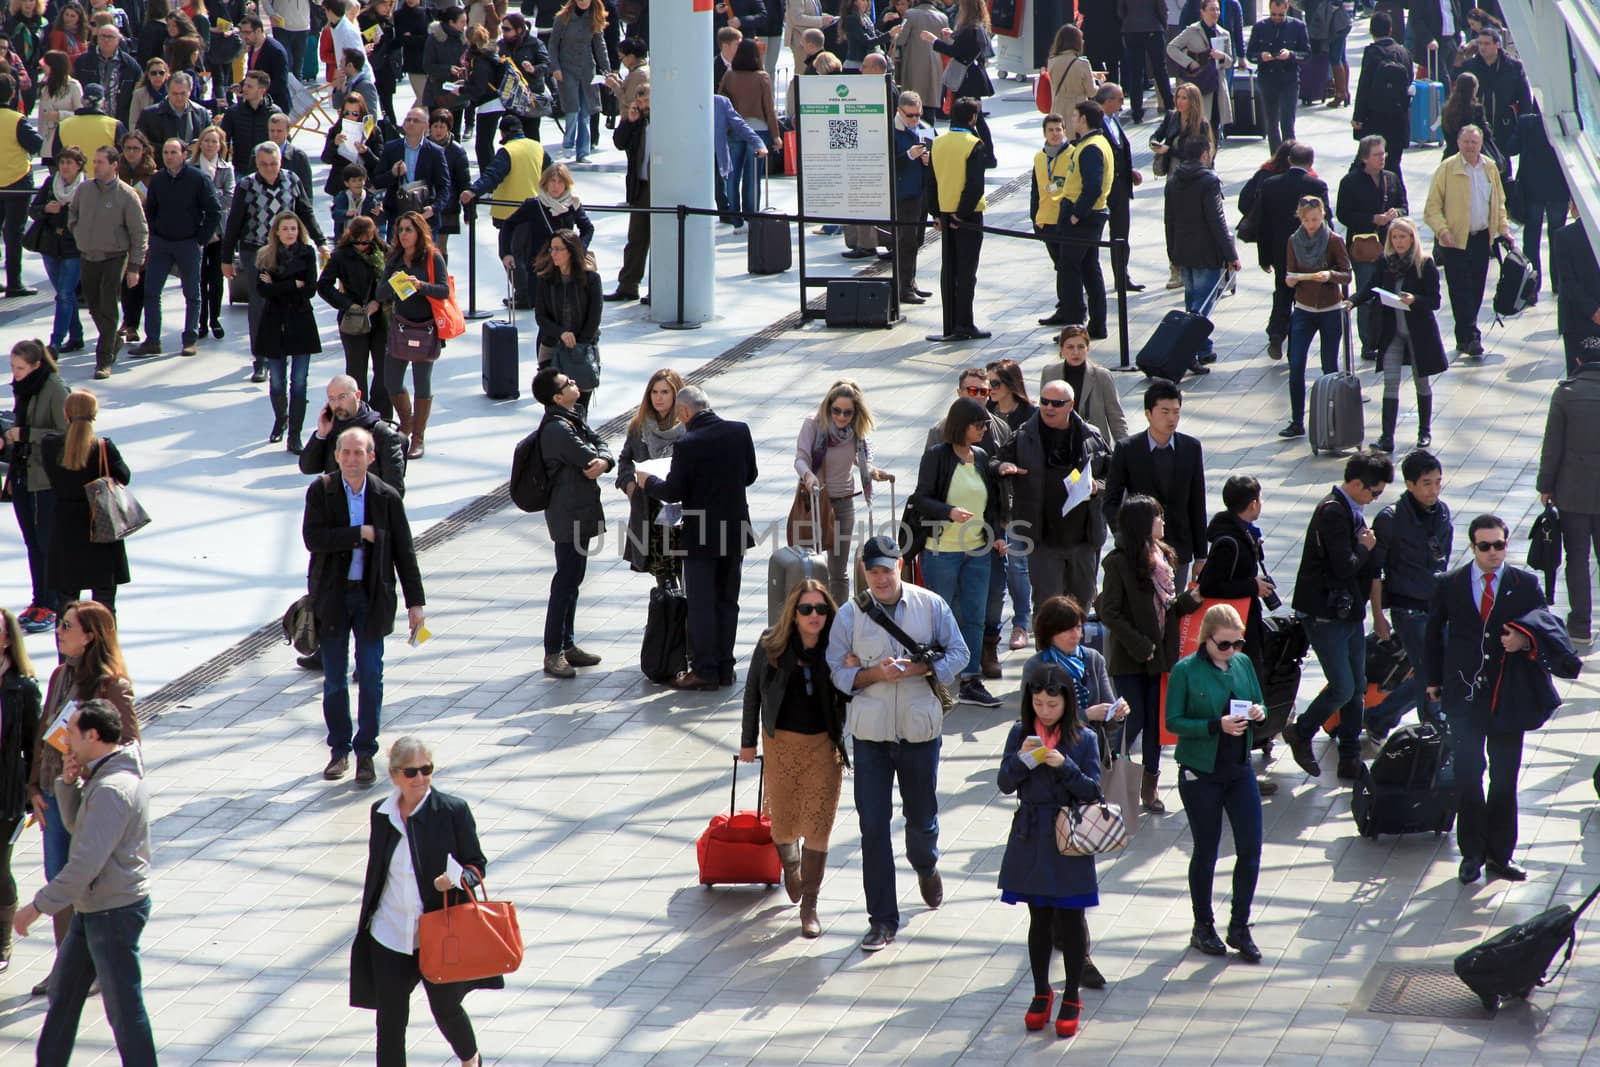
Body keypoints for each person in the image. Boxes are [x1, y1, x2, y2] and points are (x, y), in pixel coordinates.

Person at [826, 534, 964, 951]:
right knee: (872, 827)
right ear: (864, 573)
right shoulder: (851, 615)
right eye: (873, 571)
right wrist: (873, 675)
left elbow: (959, 653)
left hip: (920, 733)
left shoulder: (930, 605)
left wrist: (917, 668)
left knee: (921, 819)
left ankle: (926, 864)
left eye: (887, 569)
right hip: (871, 737)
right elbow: (836, 670)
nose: (881, 578)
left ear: (900, 566)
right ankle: (882, 919)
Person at [1424, 515, 1571, 884]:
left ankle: (1500, 854)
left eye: (1499, 545)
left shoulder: (1524, 584)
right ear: (1473, 547)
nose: (1493, 552)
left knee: (1504, 779)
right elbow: (1432, 633)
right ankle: (1471, 853)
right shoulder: (1451, 584)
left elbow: (1545, 624)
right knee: (1469, 775)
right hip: (1464, 695)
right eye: (1485, 546)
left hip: (1509, 697)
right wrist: (1432, 680)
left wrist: (1524, 641)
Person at [14, 699, 152, 1064]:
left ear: (93, 735)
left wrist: (36, 907)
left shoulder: (111, 789)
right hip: (95, 909)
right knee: (64, 995)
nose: (64, 739)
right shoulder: (102, 778)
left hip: (113, 912)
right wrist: (68, 783)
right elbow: (80, 827)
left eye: (71, 731)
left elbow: (85, 863)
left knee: (123, 1007)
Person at [349, 736, 494, 1067]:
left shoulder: (452, 812)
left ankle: (471, 1060)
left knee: (446, 1008)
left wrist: (455, 879)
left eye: (426, 770)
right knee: (389, 1021)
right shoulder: (381, 813)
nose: (420, 779)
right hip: (389, 933)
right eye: (412, 772)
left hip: (436, 934)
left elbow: (476, 865)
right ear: (394, 774)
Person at [304, 424, 425, 785]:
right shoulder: (321, 491)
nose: (352, 459)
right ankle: (338, 749)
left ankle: (365, 751)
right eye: (346, 452)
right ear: (337, 455)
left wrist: (415, 602)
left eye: (359, 453)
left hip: (371, 597)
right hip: (334, 597)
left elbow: (405, 551)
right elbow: (313, 538)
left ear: (371, 457)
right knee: (335, 679)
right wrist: (358, 534)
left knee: (371, 676)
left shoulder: (386, 497)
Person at [996, 657, 1101, 1037]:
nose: (1045, 711)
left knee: (1071, 919)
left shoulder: (1083, 738)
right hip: (1031, 834)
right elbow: (1004, 783)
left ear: (1067, 703)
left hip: (1068, 835)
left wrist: (1063, 766)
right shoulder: (1020, 733)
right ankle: (1042, 991)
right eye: (1039, 704)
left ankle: (1072, 994)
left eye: (1052, 705)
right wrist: (1024, 758)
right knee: (1038, 917)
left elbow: (1093, 790)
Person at [740, 579, 848, 937]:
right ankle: (791, 865)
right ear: (794, 612)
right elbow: (752, 691)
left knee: (819, 825)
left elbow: (851, 693)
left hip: (823, 746)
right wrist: (748, 743)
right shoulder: (772, 643)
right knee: (784, 822)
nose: (814, 615)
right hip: (781, 744)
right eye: (806, 609)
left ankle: (810, 905)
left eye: (821, 609)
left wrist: (850, 670)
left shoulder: (838, 647)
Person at [636, 386, 758, 689]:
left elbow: (673, 491)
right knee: (728, 601)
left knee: (702, 604)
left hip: (701, 536)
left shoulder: (688, 444)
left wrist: (648, 481)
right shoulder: (739, 431)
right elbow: (750, 476)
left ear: (686, 412)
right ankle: (725, 667)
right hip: (735, 532)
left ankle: (704, 671)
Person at [1165, 603, 1268, 963]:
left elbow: (1260, 702)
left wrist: (1258, 712)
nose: (1232, 651)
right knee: (1206, 850)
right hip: (1201, 773)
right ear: (1206, 639)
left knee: (1251, 849)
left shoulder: (1242, 663)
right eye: (1224, 644)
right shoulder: (1185, 671)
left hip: (1238, 769)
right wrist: (1214, 726)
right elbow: (1173, 721)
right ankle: (1202, 925)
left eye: (1237, 643)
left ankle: (1240, 925)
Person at [1283, 449, 1392, 781]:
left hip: (1347, 613)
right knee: (1344, 687)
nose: (1374, 499)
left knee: (1356, 686)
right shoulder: (1333, 512)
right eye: (1373, 492)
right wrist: (1365, 547)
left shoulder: (1351, 511)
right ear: (1357, 484)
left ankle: (1349, 754)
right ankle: (1301, 731)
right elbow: (1343, 564)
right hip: (1324, 614)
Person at [911, 396, 1006, 708]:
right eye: (978, 424)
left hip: (977, 549)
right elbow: (922, 498)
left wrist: (996, 534)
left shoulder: (980, 456)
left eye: (985, 425)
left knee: (975, 616)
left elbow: (992, 501)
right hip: (942, 550)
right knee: (942, 615)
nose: (983, 430)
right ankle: (936, 677)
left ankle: (970, 679)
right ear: (961, 425)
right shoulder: (937, 456)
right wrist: (949, 511)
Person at [1098, 493, 1183, 814]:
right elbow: (1109, 611)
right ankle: (1109, 772)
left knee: (1154, 724)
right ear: (1142, 524)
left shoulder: (1164, 558)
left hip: (1159, 657)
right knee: (1131, 723)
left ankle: (1150, 786)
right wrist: (1140, 644)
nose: (1162, 522)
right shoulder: (1118, 562)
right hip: (1132, 658)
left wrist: (1189, 601)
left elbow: (1168, 607)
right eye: (1157, 517)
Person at [1000, 378, 1111, 614]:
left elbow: (1114, 477)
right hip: (1043, 540)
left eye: (1057, 403)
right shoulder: (1024, 435)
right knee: (1047, 607)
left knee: (1081, 604)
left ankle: (1076, 650)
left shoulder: (1091, 436)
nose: (1049, 408)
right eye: (1044, 402)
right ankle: (1047, 651)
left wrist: (1096, 487)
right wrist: (1003, 467)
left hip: (1083, 539)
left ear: (1070, 405)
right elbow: (996, 460)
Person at [529, 364, 612, 679]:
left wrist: (604, 459)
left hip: (578, 509)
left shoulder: (571, 417)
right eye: (568, 382)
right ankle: (554, 652)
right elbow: (588, 457)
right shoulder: (558, 429)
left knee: (573, 578)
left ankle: (567, 644)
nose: (574, 381)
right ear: (556, 396)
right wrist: (601, 459)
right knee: (566, 580)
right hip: (568, 513)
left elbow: (600, 447)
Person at [221, 142, 325, 383]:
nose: (269, 169)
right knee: (259, 303)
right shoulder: (247, 185)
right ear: (256, 164)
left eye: (274, 164)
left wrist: (320, 241)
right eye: (264, 164)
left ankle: (284, 348)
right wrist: (226, 258)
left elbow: (305, 211)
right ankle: (261, 359)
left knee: (287, 298)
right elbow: (234, 221)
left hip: (286, 251)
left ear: (281, 162)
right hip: (256, 250)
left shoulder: (292, 180)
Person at [1367, 448, 1451, 734]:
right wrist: (1378, 616)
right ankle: (1432, 731)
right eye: (1427, 483)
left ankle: (1380, 717)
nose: (1434, 489)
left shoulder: (1441, 513)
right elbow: (1375, 572)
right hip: (1408, 609)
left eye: (1438, 482)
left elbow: (1443, 561)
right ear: (1410, 484)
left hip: (1437, 605)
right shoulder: (1390, 519)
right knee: (1429, 671)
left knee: (1439, 670)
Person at [1102, 378, 1209, 589]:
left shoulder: (1190, 448)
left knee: (1173, 608)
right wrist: (1124, 535)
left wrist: (1201, 554)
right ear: (1148, 413)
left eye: (1176, 412)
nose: (1172, 418)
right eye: (1165, 411)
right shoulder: (1128, 449)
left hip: (1179, 546)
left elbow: (1197, 502)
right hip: (1140, 547)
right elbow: (1111, 500)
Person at [1350, 218, 1446, 451]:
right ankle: (1387, 437)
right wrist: (1352, 301)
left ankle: (1424, 432)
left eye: (1403, 236)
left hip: (1418, 333)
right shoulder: (1385, 262)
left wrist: (1415, 300)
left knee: (1421, 382)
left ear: (1412, 238)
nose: (1399, 241)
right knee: (1390, 383)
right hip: (1393, 332)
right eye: (1395, 237)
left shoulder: (1424, 263)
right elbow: (1371, 287)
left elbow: (1435, 300)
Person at [795, 379, 888, 607]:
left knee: (839, 572)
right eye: (836, 411)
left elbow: (860, 460)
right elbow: (800, 459)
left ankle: (839, 623)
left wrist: (872, 472)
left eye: (848, 412)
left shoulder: (855, 430)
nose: (841, 417)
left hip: (844, 504)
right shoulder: (814, 424)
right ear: (828, 407)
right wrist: (808, 476)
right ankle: (812, 615)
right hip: (815, 502)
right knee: (812, 568)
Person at [1423, 124, 1512, 359]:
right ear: (1459, 143)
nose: (1470, 147)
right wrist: (1442, 231)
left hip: (1481, 238)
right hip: (1455, 241)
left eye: (1474, 142)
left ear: (1481, 144)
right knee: (1460, 289)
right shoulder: (1447, 169)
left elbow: (1498, 201)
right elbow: (1432, 207)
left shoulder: (1489, 167)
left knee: (1476, 287)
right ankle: (1471, 335)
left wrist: (1503, 229)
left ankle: (1464, 335)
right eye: (1466, 142)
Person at [40, 388, 130, 610]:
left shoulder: (50, 445)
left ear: (66, 414)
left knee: (66, 602)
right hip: (100, 526)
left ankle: (68, 644)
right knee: (105, 602)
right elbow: (124, 477)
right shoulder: (103, 447)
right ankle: (105, 644)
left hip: (65, 527)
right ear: (94, 414)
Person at [129, 134, 218, 358]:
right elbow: (151, 210)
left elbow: (214, 210)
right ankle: (152, 340)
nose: (169, 157)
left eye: (173, 152)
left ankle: (190, 338)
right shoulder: (158, 180)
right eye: (166, 153)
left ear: (184, 155)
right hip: (161, 243)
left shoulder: (198, 179)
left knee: (192, 293)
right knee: (151, 291)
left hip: (188, 243)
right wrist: (154, 233)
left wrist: (200, 238)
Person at [1537, 349, 1600, 647]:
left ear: (1578, 360)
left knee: (1577, 557)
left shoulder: (1565, 394)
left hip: (1573, 491)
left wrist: (1545, 485)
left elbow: (1553, 446)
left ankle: (1580, 625)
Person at [6, 341, 69, 634]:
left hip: (45, 479)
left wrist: (27, 434)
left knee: (47, 542)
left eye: (20, 368)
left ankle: (52, 602)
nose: (15, 374)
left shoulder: (55, 389)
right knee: (33, 543)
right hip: (23, 475)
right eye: (12, 367)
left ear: (35, 365)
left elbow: (67, 433)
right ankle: (40, 598)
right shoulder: (25, 388)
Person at [68, 145, 146, 380]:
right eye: (95, 161)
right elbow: (73, 216)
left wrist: (134, 266)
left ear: (114, 165)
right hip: (88, 255)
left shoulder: (126, 194)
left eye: (101, 162)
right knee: (93, 305)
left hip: (115, 256)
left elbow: (139, 232)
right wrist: (80, 234)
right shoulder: (84, 190)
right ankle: (114, 339)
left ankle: (103, 360)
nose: (96, 165)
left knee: (109, 305)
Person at [1279, 194, 1352, 438]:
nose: (1311, 225)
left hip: (1330, 309)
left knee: (1329, 365)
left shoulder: (1333, 240)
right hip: (1304, 309)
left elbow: (1346, 274)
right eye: (1307, 220)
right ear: (1300, 219)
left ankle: (1332, 419)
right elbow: (1290, 272)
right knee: (1296, 362)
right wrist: (1291, 279)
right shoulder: (1293, 241)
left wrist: (1329, 275)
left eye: (1315, 219)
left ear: (1322, 215)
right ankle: (1297, 420)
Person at [1039, 102, 1114, 336]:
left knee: (1069, 269)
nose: (1072, 120)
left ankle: (1073, 328)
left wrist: (1075, 214)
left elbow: (1092, 186)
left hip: (1084, 216)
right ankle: (1096, 325)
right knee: (1090, 268)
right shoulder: (1097, 143)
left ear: (1083, 119)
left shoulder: (1091, 147)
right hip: (1093, 214)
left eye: (1074, 116)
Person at [1164, 138, 1239, 371]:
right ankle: (1187, 352)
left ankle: (1203, 349)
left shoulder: (1174, 180)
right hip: (1206, 253)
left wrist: (1172, 254)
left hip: (1183, 252)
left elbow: (1169, 220)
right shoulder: (1209, 181)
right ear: (1205, 154)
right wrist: (1231, 254)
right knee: (1201, 307)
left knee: (1193, 299)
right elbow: (1217, 221)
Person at [925, 96, 995, 343]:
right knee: (967, 272)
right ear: (973, 118)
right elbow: (975, 185)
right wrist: (962, 213)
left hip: (943, 213)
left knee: (949, 269)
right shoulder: (973, 143)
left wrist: (937, 213)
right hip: (968, 216)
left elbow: (931, 181)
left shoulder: (938, 142)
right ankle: (964, 323)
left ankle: (950, 323)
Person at [381, 210, 448, 459]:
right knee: (391, 381)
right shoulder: (395, 257)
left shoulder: (432, 257)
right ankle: (407, 423)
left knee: (422, 383)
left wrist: (420, 286)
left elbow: (443, 291)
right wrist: (396, 282)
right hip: (400, 326)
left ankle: (418, 436)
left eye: (409, 229)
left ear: (419, 232)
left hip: (426, 328)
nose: (404, 234)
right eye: (400, 229)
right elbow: (380, 293)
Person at [253, 210, 321, 454]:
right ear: (276, 232)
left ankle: (295, 434)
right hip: (274, 323)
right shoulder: (265, 255)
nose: (290, 233)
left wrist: (278, 286)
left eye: (293, 228)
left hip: (300, 321)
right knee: (278, 380)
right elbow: (262, 290)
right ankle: (280, 418)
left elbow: (310, 289)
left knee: (300, 381)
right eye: (285, 229)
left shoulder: (307, 252)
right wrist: (292, 284)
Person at [1336, 134, 1407, 361]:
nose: (1382, 158)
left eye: (1383, 153)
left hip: (1391, 245)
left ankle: (1391, 339)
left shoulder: (1391, 178)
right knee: (1367, 293)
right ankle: (1369, 343)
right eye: (1376, 155)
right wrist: (1372, 219)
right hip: (1364, 248)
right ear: (1364, 158)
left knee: (1392, 293)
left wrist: (1397, 214)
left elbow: (1404, 206)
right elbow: (1344, 214)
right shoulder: (1350, 182)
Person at [1255, 141, 1328, 361]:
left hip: (1280, 251)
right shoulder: (1317, 186)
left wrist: (1264, 257)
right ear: (1311, 162)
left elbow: (1262, 224)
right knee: (1303, 297)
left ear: (1289, 160)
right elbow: (1327, 221)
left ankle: (1277, 334)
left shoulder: (1270, 184)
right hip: (1310, 251)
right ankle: (1296, 340)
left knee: (1282, 291)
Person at [318, 216, 392, 418]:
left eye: (366, 240)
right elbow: (323, 285)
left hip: (381, 319)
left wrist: (380, 300)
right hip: (353, 320)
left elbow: (393, 279)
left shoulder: (383, 251)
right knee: (356, 371)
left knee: (384, 370)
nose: (362, 245)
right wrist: (348, 304)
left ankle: (382, 417)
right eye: (358, 241)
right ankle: (359, 416)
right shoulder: (341, 256)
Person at [616, 368, 686, 584]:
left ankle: (686, 616)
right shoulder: (639, 426)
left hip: (681, 507)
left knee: (687, 572)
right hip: (651, 508)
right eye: (654, 392)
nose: (658, 398)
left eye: (665, 392)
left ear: (676, 394)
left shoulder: (688, 427)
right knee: (662, 575)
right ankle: (668, 616)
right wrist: (630, 486)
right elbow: (625, 460)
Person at [497, 162, 592, 310]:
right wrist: (506, 253)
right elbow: (508, 225)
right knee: (541, 308)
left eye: (560, 182)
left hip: (564, 264)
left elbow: (588, 229)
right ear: (545, 183)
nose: (555, 186)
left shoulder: (573, 204)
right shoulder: (534, 204)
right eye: (552, 181)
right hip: (539, 266)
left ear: (566, 185)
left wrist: (580, 250)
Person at [0, 605, 38, 972]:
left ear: (8, 639)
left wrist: (31, 792)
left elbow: (33, 744)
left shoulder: (22, 688)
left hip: (5, 796)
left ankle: (2, 940)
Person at [987, 360, 1036, 648]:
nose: (990, 389)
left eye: (995, 384)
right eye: (988, 384)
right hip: (992, 500)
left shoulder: (1030, 415)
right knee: (998, 563)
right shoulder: (985, 414)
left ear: (1011, 385)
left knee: (1018, 563)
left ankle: (1021, 623)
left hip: (1020, 499)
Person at [532, 228, 602, 416]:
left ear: (571, 251)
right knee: (554, 406)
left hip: (583, 349)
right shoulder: (545, 279)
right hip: (551, 346)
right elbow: (540, 316)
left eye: (558, 249)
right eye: (551, 249)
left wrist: (578, 343)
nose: (553, 254)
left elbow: (594, 317)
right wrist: (561, 333)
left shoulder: (591, 279)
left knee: (580, 406)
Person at [300, 373, 407, 492]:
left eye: (342, 397)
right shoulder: (331, 430)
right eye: (332, 399)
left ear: (357, 395)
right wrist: (321, 435)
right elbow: (307, 468)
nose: (336, 404)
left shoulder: (382, 434)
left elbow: (395, 490)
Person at [28, 149, 88, 358]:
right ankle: (77, 335)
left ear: (79, 165)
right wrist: (46, 209)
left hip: (74, 246)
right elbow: (33, 210)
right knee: (66, 294)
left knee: (64, 294)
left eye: (70, 162)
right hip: (50, 245)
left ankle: (55, 341)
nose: (65, 166)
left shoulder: (86, 187)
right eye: (62, 162)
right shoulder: (51, 184)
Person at [717, 38, 776, 227]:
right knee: (753, 177)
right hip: (758, 132)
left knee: (732, 176)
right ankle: (752, 217)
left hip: (734, 130)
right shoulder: (762, 77)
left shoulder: (729, 75)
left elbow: (720, 101)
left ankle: (736, 219)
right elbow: (769, 109)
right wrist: (775, 135)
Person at [1350, 12, 1412, 191]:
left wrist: (1358, 117)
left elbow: (1364, 86)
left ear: (1371, 30)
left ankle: (1368, 196)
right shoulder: (1404, 52)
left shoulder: (1372, 53)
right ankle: (1400, 201)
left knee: (1366, 162)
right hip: (1399, 118)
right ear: (1390, 29)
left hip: (1375, 118)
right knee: (1393, 163)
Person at [1458, 25, 1530, 176]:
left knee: (1502, 167)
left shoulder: (1513, 67)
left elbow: (1524, 100)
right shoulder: (1470, 66)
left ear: (1497, 44)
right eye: (1480, 44)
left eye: (1487, 44)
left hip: (1504, 126)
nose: (1482, 48)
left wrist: (1522, 129)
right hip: (1477, 126)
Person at [1040, 325, 1129, 444]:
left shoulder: (1102, 376)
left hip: (1093, 445)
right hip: (1058, 443)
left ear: (1088, 348)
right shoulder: (1049, 372)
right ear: (1061, 349)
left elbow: (1116, 417)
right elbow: (1044, 410)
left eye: (1081, 347)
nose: (1075, 352)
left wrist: (1125, 451)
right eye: (1070, 347)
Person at [1095, 82, 1145, 293]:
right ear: (1108, 101)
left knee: (1121, 234)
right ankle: (1091, 279)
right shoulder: (1095, 121)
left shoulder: (1113, 119)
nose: (1123, 103)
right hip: (1102, 190)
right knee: (1095, 236)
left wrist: (1129, 171)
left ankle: (1122, 276)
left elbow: (1119, 149)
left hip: (1120, 189)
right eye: (1120, 99)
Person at [371, 106, 451, 238]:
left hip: (424, 216)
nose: (411, 123)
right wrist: (393, 173)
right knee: (397, 257)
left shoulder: (435, 152)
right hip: (397, 215)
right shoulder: (391, 148)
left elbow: (444, 186)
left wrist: (434, 208)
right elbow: (377, 181)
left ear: (426, 126)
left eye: (416, 121)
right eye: (408, 120)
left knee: (425, 257)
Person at [603, 85, 648, 303]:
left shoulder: (668, 119)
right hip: (641, 185)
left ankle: (661, 287)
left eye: (647, 101)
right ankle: (628, 285)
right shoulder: (637, 121)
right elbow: (619, 142)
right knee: (636, 237)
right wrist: (630, 121)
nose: (644, 106)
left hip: (663, 186)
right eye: (640, 102)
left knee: (661, 238)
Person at [548, 0, 608, 163]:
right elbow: (553, 45)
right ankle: (568, 145)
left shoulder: (595, 17)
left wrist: (607, 70)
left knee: (586, 112)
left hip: (587, 69)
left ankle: (583, 152)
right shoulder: (563, 17)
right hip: (567, 68)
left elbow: (600, 45)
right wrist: (555, 67)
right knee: (572, 108)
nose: (583, 1)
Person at [1245, 0, 1309, 151]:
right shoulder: (1260, 27)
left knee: (1288, 122)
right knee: (1272, 124)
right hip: (1268, 79)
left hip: (1289, 79)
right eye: (1273, 14)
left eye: (1280, 15)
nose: (1277, 17)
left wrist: (1291, 55)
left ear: (1286, 8)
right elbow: (1250, 54)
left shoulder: (1298, 27)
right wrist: (1261, 56)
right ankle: (1275, 159)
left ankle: (1290, 158)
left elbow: (1306, 54)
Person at [1515, 112, 1569, 287]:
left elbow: (1511, 147)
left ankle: (1532, 284)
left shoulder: (1526, 123)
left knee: (1531, 238)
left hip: (1532, 190)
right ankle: (1558, 283)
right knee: (1557, 236)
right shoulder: (1561, 122)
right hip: (1558, 188)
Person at [190, 126, 233, 341]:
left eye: (214, 142)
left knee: (216, 277)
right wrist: (212, 197)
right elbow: (189, 200)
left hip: (219, 231)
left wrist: (207, 196)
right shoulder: (191, 167)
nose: (210, 145)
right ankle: (200, 320)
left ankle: (214, 318)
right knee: (199, 277)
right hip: (197, 230)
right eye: (206, 141)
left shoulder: (226, 169)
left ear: (220, 145)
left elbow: (229, 198)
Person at [890, 90, 934, 305]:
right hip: (903, 194)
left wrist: (927, 159)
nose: (915, 119)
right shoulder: (892, 131)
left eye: (918, 114)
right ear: (899, 111)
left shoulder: (924, 129)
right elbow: (886, 163)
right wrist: (909, 156)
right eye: (910, 116)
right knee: (905, 241)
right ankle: (903, 287)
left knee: (916, 240)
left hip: (920, 192)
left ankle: (911, 282)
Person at [1167, 0, 1235, 132]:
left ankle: (1212, 150)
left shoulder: (1224, 33)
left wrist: (1222, 56)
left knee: (1214, 127)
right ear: (1202, 12)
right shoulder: (1192, 30)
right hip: (1198, 83)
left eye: (1217, 9)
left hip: (1217, 85)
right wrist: (1189, 62)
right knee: (1198, 126)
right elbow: (1171, 48)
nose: (1215, 13)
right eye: (1211, 9)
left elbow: (1229, 61)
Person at [1552, 204, 1600, 377]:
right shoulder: (1565, 236)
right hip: (1578, 316)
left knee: (1579, 378)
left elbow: (1567, 281)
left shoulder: (1563, 236)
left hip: (1577, 315)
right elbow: (1568, 281)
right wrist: (1594, 311)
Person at [426, 108, 472, 260]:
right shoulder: (422, 146)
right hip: (424, 203)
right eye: (435, 127)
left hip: (447, 206)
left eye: (442, 127)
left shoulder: (457, 151)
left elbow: (464, 182)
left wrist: (468, 211)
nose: (438, 131)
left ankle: (441, 278)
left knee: (440, 247)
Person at [73, 23, 140, 123]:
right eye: (103, 36)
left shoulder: (130, 65)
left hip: (119, 121)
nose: (106, 40)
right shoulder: (83, 61)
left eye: (110, 37)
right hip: (89, 119)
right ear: (97, 38)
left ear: (118, 40)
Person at [1121, 0, 1173, 123]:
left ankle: (1137, 112)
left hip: (1131, 28)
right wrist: (1163, 25)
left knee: (1135, 72)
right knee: (1160, 69)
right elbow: (1162, 9)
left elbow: (1120, 10)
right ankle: (1169, 106)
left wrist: (1128, 20)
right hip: (1153, 26)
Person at [893, 0, 945, 117]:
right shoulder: (942, 17)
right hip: (935, 65)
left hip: (913, 64)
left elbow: (901, 39)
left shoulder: (910, 14)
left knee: (912, 104)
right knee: (930, 105)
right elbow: (947, 42)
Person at [218, 70, 273, 179]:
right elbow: (223, 142)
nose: (244, 89)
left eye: (249, 86)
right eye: (245, 85)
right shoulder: (233, 112)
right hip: (241, 171)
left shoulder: (274, 113)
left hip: (267, 172)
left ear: (262, 90)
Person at [133, 67, 207, 145]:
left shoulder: (202, 113)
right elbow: (140, 143)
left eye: (183, 93)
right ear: (167, 91)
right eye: (175, 93)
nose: (179, 97)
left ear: (190, 91)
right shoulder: (149, 115)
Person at [37, 51, 84, 169]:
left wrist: (60, 115)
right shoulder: (45, 87)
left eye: (46, 64)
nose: (43, 68)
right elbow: (41, 117)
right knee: (53, 175)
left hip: (66, 139)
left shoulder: (73, 86)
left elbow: (81, 115)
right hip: (49, 140)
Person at [238, 15, 291, 113]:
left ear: (258, 31)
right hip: (257, 105)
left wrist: (255, 92)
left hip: (274, 106)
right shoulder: (253, 47)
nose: (244, 36)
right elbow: (254, 75)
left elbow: (280, 83)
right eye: (242, 32)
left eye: (247, 32)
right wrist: (241, 86)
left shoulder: (275, 51)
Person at [1047, 24, 1097, 119]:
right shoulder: (1083, 64)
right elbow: (1092, 92)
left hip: (1057, 109)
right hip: (1078, 111)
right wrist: (1099, 84)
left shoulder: (1052, 61)